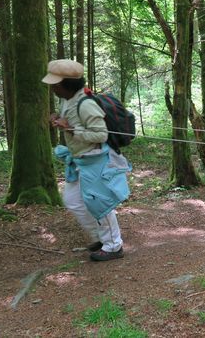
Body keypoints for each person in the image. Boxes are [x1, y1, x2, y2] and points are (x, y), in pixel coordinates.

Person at [42, 59, 128, 262]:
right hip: (80, 160)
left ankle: (114, 246)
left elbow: (101, 135)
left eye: (56, 84)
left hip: (96, 160)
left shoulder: (86, 104)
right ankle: (102, 237)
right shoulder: (68, 100)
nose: (53, 89)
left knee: (101, 204)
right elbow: (70, 121)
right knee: (73, 202)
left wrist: (70, 128)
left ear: (66, 85)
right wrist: (59, 119)